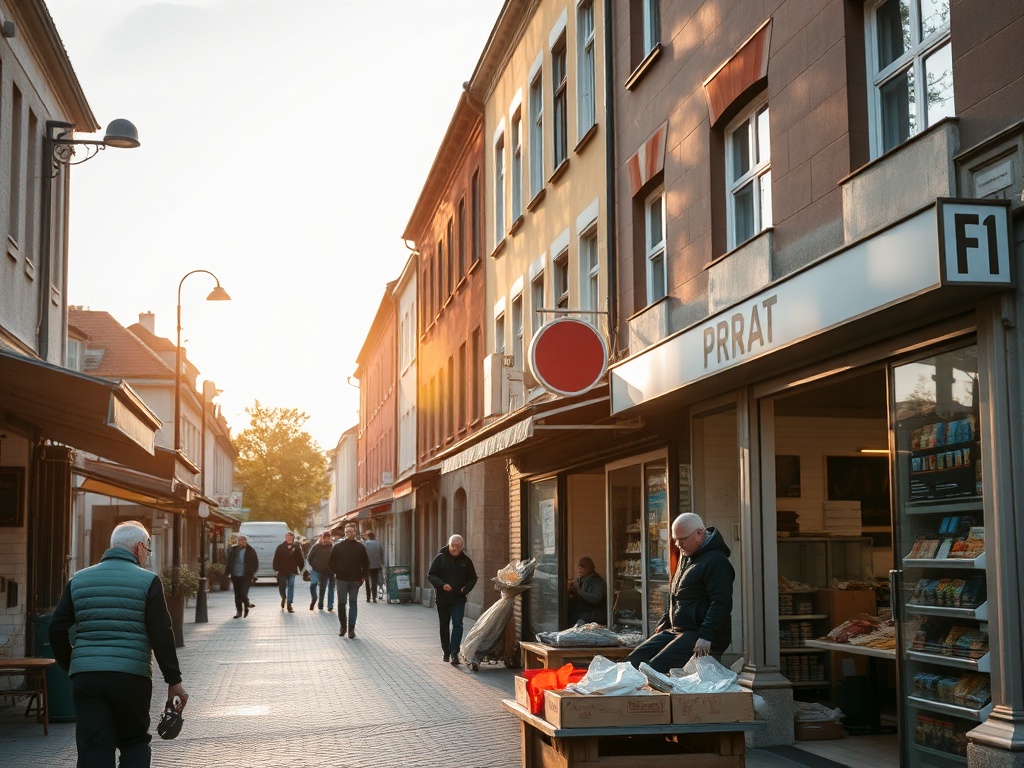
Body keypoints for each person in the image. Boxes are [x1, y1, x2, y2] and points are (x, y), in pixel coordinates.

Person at [49, 521, 188, 767]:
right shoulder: (148, 581)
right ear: (138, 548)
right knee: (133, 741)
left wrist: (73, 665)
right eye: (147, 549)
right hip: (131, 678)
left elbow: (56, 628)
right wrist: (173, 680)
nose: (147, 555)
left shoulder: (78, 579)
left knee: (94, 747)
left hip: (87, 679)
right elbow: (162, 634)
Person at [622, 512, 734, 673]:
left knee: (654, 669)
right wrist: (666, 620)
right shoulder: (687, 556)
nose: (678, 544)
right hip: (678, 630)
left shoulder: (717, 561)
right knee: (631, 663)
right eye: (675, 539)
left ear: (699, 534)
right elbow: (677, 593)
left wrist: (706, 635)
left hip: (700, 634)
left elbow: (721, 602)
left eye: (682, 540)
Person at [428, 534, 478, 666]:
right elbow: (431, 575)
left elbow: (473, 578)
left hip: (458, 598)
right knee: (444, 625)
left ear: (462, 546)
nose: (454, 548)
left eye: (457, 546)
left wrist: (465, 589)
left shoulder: (466, 561)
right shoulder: (440, 558)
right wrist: (442, 584)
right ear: (449, 544)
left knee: (458, 624)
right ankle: (446, 650)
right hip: (443, 598)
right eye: (452, 545)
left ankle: (454, 652)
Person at [329, 523, 370, 638]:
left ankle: (351, 629)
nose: (349, 533)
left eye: (351, 531)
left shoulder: (360, 547)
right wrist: (337, 572)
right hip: (341, 579)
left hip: (355, 580)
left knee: (353, 603)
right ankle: (343, 626)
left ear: (355, 532)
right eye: (347, 531)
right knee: (342, 603)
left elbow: (366, 563)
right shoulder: (338, 547)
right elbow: (331, 562)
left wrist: (363, 577)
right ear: (344, 533)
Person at [226, 534, 259, 619]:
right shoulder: (234, 550)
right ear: (238, 542)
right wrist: (227, 572)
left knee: (243, 593)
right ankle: (239, 612)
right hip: (235, 575)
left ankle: (247, 604)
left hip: (246, 575)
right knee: (237, 594)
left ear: (246, 542)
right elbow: (229, 561)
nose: (242, 542)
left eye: (244, 541)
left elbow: (255, 562)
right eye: (240, 540)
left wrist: (253, 571)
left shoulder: (250, 550)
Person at [567, 556, 607, 625]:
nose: (580, 570)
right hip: (577, 612)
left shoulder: (597, 581)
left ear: (590, 568)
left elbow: (595, 599)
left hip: (591, 614)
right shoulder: (578, 580)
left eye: (583, 568)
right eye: (579, 567)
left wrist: (578, 591)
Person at [272, 531, 305, 612]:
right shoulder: (280, 547)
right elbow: (276, 558)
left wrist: (302, 570)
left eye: (291, 536)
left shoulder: (296, 547)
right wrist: (276, 569)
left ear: (293, 537)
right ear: (285, 537)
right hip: (282, 570)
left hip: (292, 570)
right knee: (282, 586)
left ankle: (289, 604)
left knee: (291, 586)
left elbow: (300, 559)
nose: (289, 537)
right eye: (288, 536)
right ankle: (283, 597)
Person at [306, 530, 336, 611]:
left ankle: (330, 605)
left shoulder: (333, 547)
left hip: (331, 571)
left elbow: (336, 559)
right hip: (321, 571)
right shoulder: (316, 547)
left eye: (328, 538)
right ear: (322, 538)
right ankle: (320, 604)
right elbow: (309, 557)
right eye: (325, 538)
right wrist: (313, 566)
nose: (326, 540)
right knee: (322, 588)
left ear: (330, 538)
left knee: (331, 588)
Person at [362, 529, 385, 603]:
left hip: (367, 566)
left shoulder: (365, 544)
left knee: (367, 582)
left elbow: (363, 555)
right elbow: (382, 554)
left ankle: (368, 598)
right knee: (374, 581)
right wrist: (382, 564)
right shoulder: (379, 543)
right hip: (376, 566)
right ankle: (374, 598)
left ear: (368, 536)